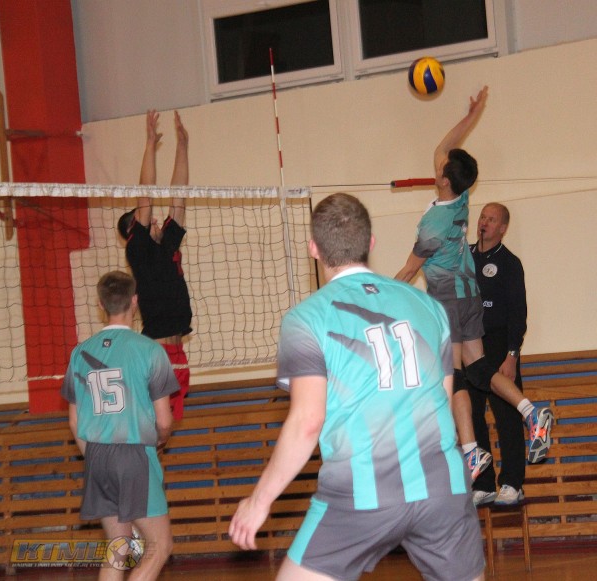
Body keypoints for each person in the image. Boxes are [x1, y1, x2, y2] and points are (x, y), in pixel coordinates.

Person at [229, 193, 485, 581]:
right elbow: (443, 401)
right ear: (371, 243)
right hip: (441, 487)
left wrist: (259, 500)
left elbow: (307, 421)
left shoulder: (306, 319)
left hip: (361, 491)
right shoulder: (430, 307)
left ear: (314, 249)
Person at [395, 86, 553, 476]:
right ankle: (531, 412)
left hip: (449, 301)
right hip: (470, 295)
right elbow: (445, 148)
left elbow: (409, 270)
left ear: (443, 179)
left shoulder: (433, 224)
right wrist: (471, 114)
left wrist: (378, 294)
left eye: (441, 167)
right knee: (479, 368)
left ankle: (470, 449)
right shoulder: (462, 197)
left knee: (452, 375)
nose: (438, 164)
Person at [61, 271, 177, 580]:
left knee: (118, 546)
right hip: (134, 455)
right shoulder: (151, 351)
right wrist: (160, 440)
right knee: (160, 546)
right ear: (135, 301)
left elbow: (74, 421)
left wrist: (94, 456)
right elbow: (164, 421)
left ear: (101, 304)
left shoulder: (79, 353)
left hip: (97, 455)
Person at [117, 110, 192, 421]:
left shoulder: (168, 243)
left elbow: (179, 196)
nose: (155, 219)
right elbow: (145, 194)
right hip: (158, 355)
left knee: (167, 430)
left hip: (178, 354)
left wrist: (183, 146)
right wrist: (149, 144)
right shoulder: (139, 250)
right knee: (156, 428)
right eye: (145, 218)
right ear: (134, 228)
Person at [469, 203, 528, 506]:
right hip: (470, 345)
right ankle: (483, 483)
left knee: (507, 416)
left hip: (499, 346)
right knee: (472, 415)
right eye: (483, 217)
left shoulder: (509, 262)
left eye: (492, 220)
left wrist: (512, 354)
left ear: (503, 228)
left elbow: (518, 313)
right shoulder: (463, 257)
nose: (484, 222)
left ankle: (512, 483)